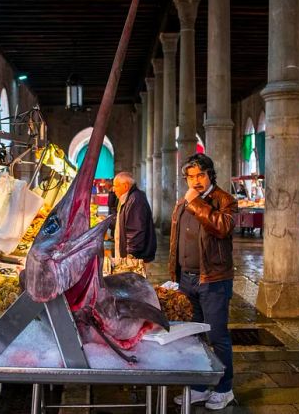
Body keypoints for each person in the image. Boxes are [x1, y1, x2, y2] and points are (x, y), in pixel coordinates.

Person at [169, 153, 237, 410]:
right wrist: (174, 276)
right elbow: (176, 241)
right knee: (193, 336)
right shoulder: (183, 202)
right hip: (187, 279)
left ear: (210, 174)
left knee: (217, 336)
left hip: (213, 280)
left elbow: (221, 227)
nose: (195, 180)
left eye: (200, 175)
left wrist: (196, 202)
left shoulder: (224, 200)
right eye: (190, 176)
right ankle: (198, 387)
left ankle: (224, 388)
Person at [111, 172, 156, 262]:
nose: (113, 190)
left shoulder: (135, 199)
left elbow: (135, 230)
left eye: (116, 186)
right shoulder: (128, 198)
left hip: (135, 257)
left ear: (125, 186)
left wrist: (131, 254)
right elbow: (124, 221)